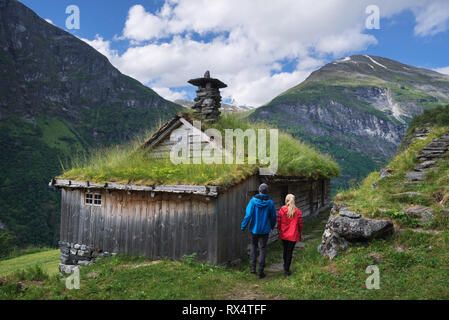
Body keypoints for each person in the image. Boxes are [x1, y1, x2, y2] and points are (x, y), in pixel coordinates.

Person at [241, 183, 277, 279]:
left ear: (259, 190)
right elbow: (273, 216)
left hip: (254, 229)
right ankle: (261, 271)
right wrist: (272, 225)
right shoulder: (270, 203)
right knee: (262, 249)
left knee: (253, 246)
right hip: (265, 230)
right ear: (267, 191)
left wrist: (243, 226)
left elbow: (248, 215)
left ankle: (253, 268)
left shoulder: (253, 201)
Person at [277, 194, 302, 276]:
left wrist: (279, 230)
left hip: (284, 234)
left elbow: (279, 222)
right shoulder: (297, 211)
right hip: (293, 235)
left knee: (285, 250)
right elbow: (300, 224)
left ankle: (285, 266)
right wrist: (299, 233)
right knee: (289, 252)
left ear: (286, 200)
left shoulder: (282, 210)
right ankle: (287, 270)